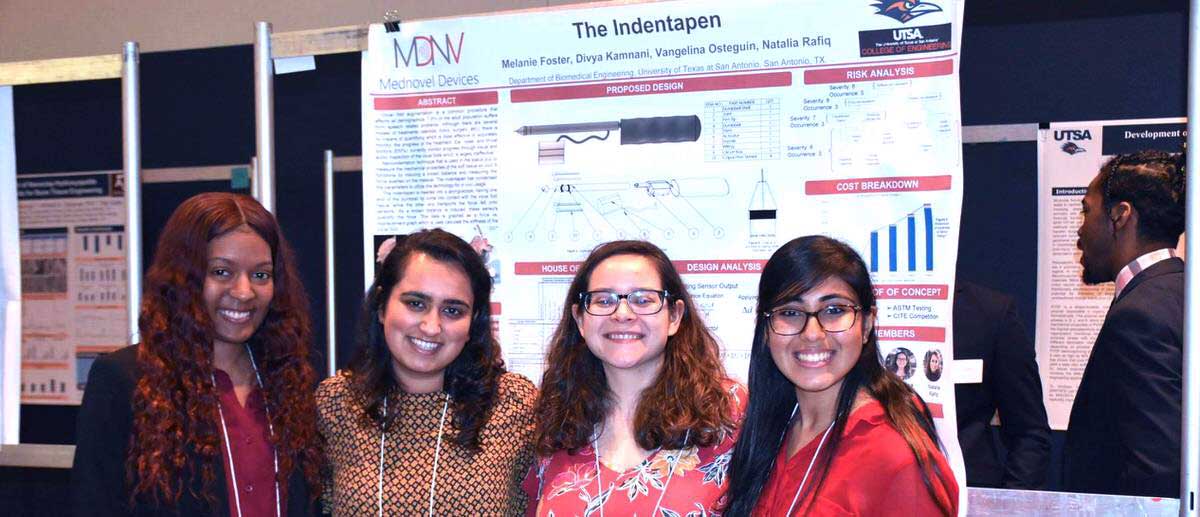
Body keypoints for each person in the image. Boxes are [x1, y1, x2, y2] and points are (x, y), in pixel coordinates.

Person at [71, 192, 320, 516]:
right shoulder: (126, 380)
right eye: (221, 272)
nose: (244, 292)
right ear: (184, 277)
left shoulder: (290, 381)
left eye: (261, 275)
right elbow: (95, 505)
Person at [724, 235, 957, 516]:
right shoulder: (770, 426)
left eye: (834, 310)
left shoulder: (894, 455)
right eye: (790, 312)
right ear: (765, 328)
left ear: (867, 324)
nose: (812, 333)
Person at [317, 229, 537, 515]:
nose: (432, 326)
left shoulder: (511, 404)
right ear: (382, 306)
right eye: (416, 304)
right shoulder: (336, 404)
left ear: (474, 322)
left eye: (453, 311)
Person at [524, 240, 743, 516]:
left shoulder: (728, 410)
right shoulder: (553, 420)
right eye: (604, 300)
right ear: (580, 319)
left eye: (643, 300)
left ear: (674, 316)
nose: (623, 314)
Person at [1066, 150, 1185, 497]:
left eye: (1087, 210)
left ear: (1120, 216)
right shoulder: (1179, 292)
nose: (1080, 228)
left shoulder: (1139, 314)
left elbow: (1157, 470)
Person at [952, 280, 1051, 489]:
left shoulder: (989, 311)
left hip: (970, 498)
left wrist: (1007, 507)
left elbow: (1030, 432)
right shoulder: (867, 310)